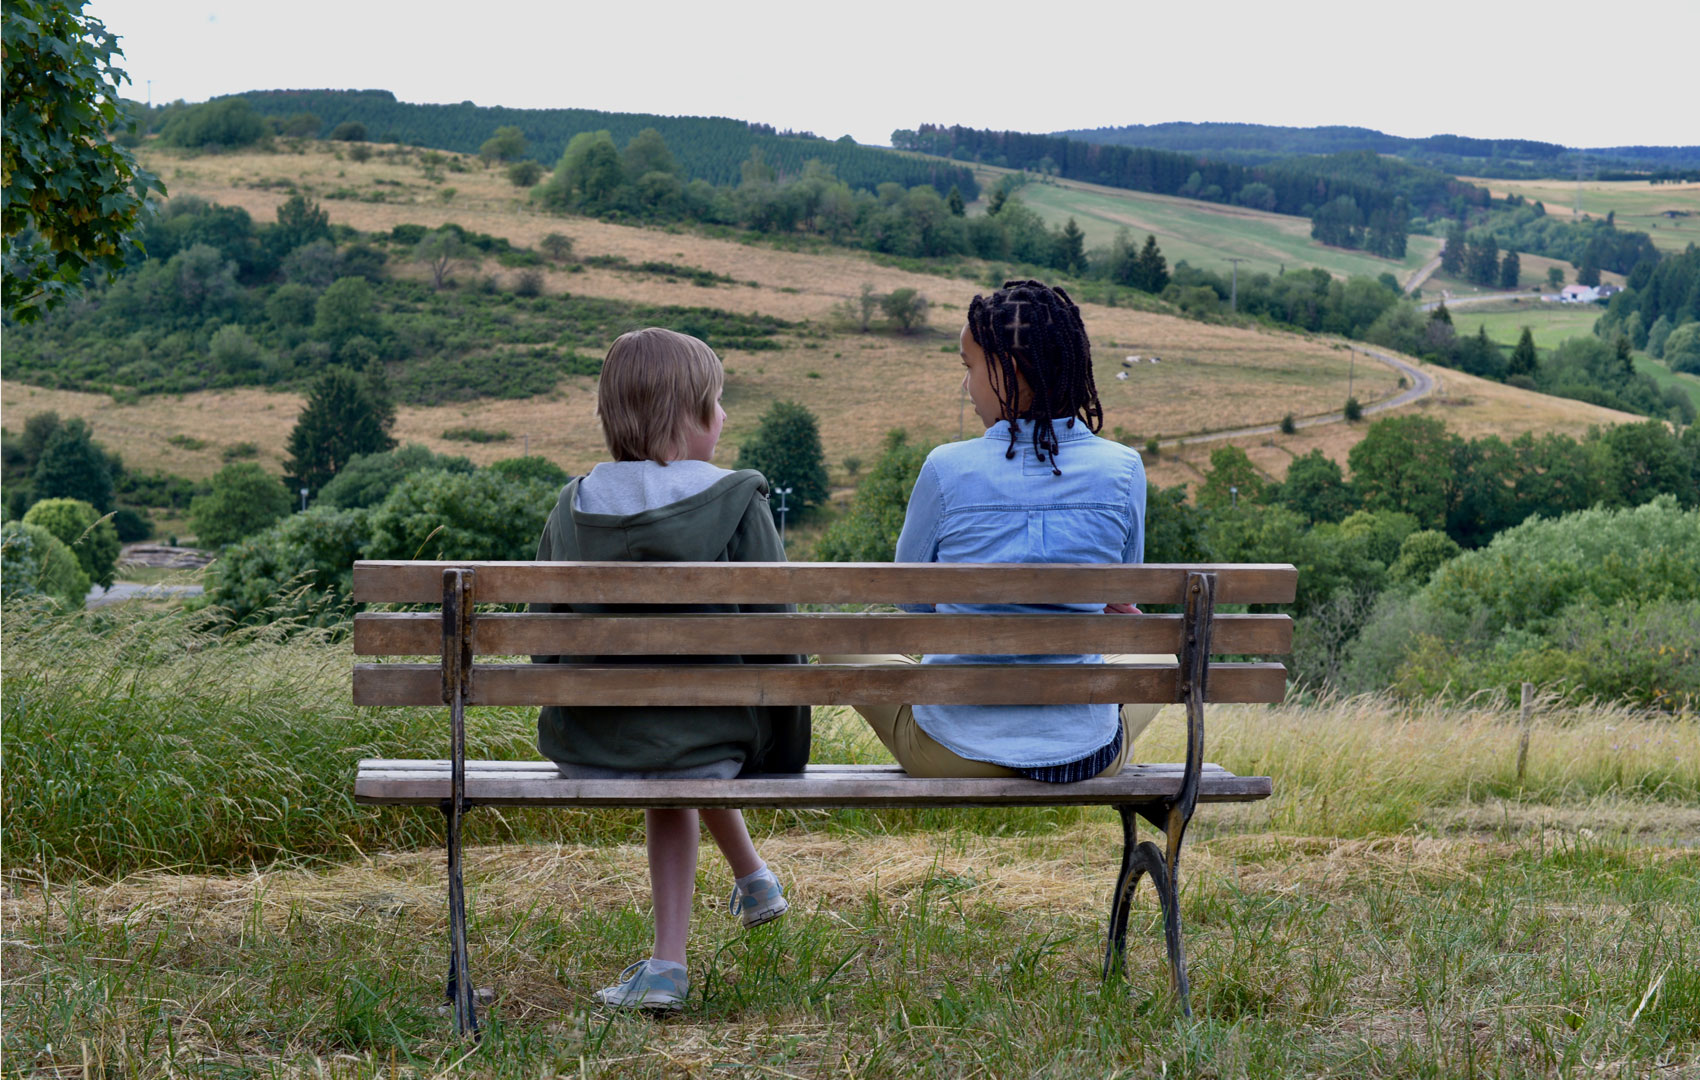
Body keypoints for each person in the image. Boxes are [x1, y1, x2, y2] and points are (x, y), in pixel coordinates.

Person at [530, 327, 810, 1011]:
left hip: (589, 746)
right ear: (686, 419)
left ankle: (752, 881)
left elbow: (541, 645)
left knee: (673, 732)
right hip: (710, 744)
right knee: (689, 737)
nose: (726, 416)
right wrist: (781, 744)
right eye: (717, 401)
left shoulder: (572, 506)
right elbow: (780, 634)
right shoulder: (740, 497)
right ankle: (669, 961)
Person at [821, 280, 1169, 780]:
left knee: (840, 640)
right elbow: (1125, 595)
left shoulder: (945, 468)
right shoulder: (1124, 469)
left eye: (970, 368)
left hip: (949, 752)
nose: (965, 386)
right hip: (1088, 756)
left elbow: (912, 599)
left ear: (1007, 370)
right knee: (1160, 645)